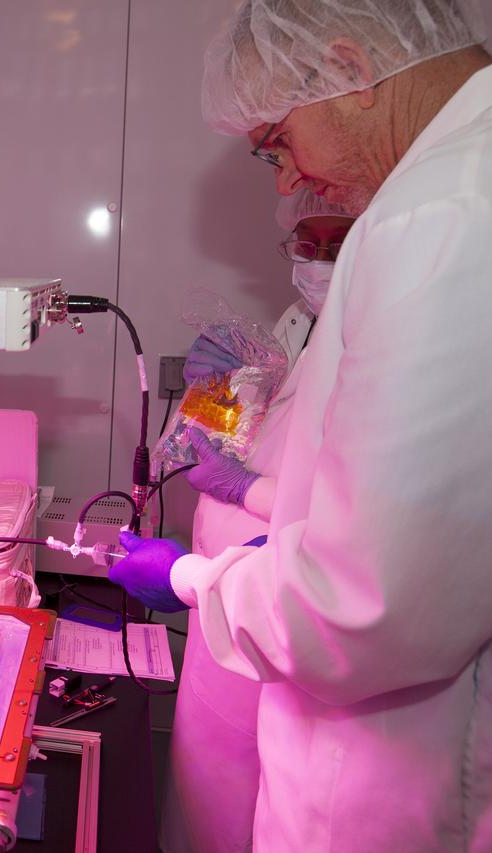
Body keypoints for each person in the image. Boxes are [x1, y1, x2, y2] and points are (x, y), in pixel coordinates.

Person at [111, 1, 492, 848]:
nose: (287, 181)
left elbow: (364, 610)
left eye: (277, 142)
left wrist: (191, 580)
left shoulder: (450, 211)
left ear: (347, 70)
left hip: (406, 801)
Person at [159, 191, 355, 853]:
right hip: (221, 593)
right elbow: (246, 436)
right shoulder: (298, 323)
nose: (317, 261)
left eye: (336, 245)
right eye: (307, 244)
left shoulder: (378, 344)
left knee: (247, 799)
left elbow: (347, 514)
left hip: (276, 610)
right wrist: (218, 396)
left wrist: (245, 487)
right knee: (203, 781)